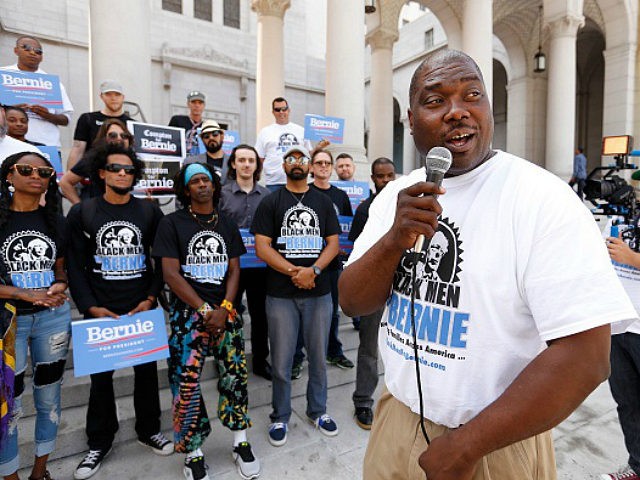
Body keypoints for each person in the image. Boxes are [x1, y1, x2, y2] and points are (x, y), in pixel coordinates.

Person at [339, 49, 637, 480]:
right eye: (436, 100)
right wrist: (394, 241)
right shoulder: (394, 197)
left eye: (472, 95)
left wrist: (466, 446)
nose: (457, 112)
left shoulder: (543, 200)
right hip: (397, 419)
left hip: (495, 441)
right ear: (410, 118)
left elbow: (587, 357)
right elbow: (353, 301)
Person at [67, 145, 171, 480]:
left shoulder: (149, 213)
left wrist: (152, 297)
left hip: (140, 307)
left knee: (145, 375)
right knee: (100, 380)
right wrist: (90, 306)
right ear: (101, 173)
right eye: (115, 168)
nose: (122, 174)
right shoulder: (83, 213)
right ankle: (99, 442)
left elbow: (161, 260)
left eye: (128, 170)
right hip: (100, 309)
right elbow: (74, 266)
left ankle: (148, 430)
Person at [153, 162, 260, 480]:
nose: (201, 184)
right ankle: (193, 452)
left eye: (206, 179)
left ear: (214, 185)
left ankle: (240, 442)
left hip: (226, 313)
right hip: (189, 316)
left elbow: (234, 269)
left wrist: (225, 307)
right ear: (186, 189)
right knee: (185, 384)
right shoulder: (171, 224)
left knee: (236, 377)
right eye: (194, 181)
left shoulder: (226, 223)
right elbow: (170, 274)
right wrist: (204, 310)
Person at [251, 145, 341, 447]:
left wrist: (313, 270)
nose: (297, 163)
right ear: (284, 165)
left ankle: (318, 410)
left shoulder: (324, 202)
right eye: (291, 159)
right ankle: (280, 416)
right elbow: (263, 247)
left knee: (317, 357)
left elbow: (333, 243)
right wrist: (295, 272)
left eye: (302, 158)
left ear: (311, 166)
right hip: (280, 295)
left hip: (319, 292)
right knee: (281, 360)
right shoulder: (270, 201)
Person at [0, 151, 70, 480]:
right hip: (8, 324)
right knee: (7, 402)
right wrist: (22, 293)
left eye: (44, 171)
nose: (36, 175)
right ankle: (10, 474)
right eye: (26, 169)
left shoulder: (54, 220)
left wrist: (59, 284)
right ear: (9, 176)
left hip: (52, 320)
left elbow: (60, 268)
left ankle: (40, 471)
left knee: (50, 398)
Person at [347, 157, 396, 431]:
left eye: (390, 175)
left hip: (405, 288)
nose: (386, 181)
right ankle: (363, 401)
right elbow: (357, 251)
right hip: (376, 289)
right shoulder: (365, 210)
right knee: (369, 348)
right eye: (381, 176)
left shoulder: (408, 204)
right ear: (373, 179)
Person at [219, 144, 272, 380]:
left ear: (256, 165)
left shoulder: (267, 195)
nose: (246, 164)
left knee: (260, 315)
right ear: (233, 163)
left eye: (251, 160)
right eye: (241, 160)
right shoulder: (221, 194)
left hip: (260, 266)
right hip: (231, 265)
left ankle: (261, 360)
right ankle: (230, 360)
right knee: (229, 312)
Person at [308, 149, 354, 370]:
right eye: (319, 163)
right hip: (307, 263)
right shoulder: (304, 192)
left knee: (333, 312)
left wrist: (345, 248)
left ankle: (333, 351)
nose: (323, 166)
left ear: (332, 167)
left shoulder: (341, 196)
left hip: (334, 263)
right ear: (312, 167)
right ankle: (298, 358)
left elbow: (346, 227)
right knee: (304, 312)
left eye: (327, 163)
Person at [601, 229, 640, 480]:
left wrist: (633, 258)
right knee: (628, 404)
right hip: (617, 325)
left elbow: (625, 258)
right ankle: (637, 465)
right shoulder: (619, 213)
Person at [1, 36, 73, 148]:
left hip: (46, 146)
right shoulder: (3, 74)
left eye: (38, 51)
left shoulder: (53, 83)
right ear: (16, 50)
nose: (32, 52)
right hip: (6, 144)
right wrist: (10, 110)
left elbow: (66, 119)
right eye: (26, 48)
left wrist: (48, 115)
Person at [59, 118, 134, 204]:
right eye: (113, 135)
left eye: (124, 136)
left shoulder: (135, 161)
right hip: (98, 212)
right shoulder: (93, 158)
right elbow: (65, 182)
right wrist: (80, 208)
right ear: (103, 138)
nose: (119, 138)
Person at [67, 80, 131, 171]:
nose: (113, 98)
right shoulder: (88, 118)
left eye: (117, 94)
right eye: (108, 94)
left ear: (123, 97)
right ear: (102, 96)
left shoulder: (132, 123)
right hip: (92, 173)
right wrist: (70, 179)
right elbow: (77, 149)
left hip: (122, 173)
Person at [254, 97, 312, 192]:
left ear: (289, 110)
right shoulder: (264, 132)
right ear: (273, 112)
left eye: (284, 109)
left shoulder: (301, 131)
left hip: (298, 180)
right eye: (277, 110)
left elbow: (308, 155)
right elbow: (259, 158)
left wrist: (319, 147)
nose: (281, 112)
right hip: (273, 183)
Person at [168, 91, 206, 157]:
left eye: (200, 103)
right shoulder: (177, 120)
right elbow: (168, 139)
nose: (197, 105)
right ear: (188, 104)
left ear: (204, 105)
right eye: (193, 102)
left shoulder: (206, 126)